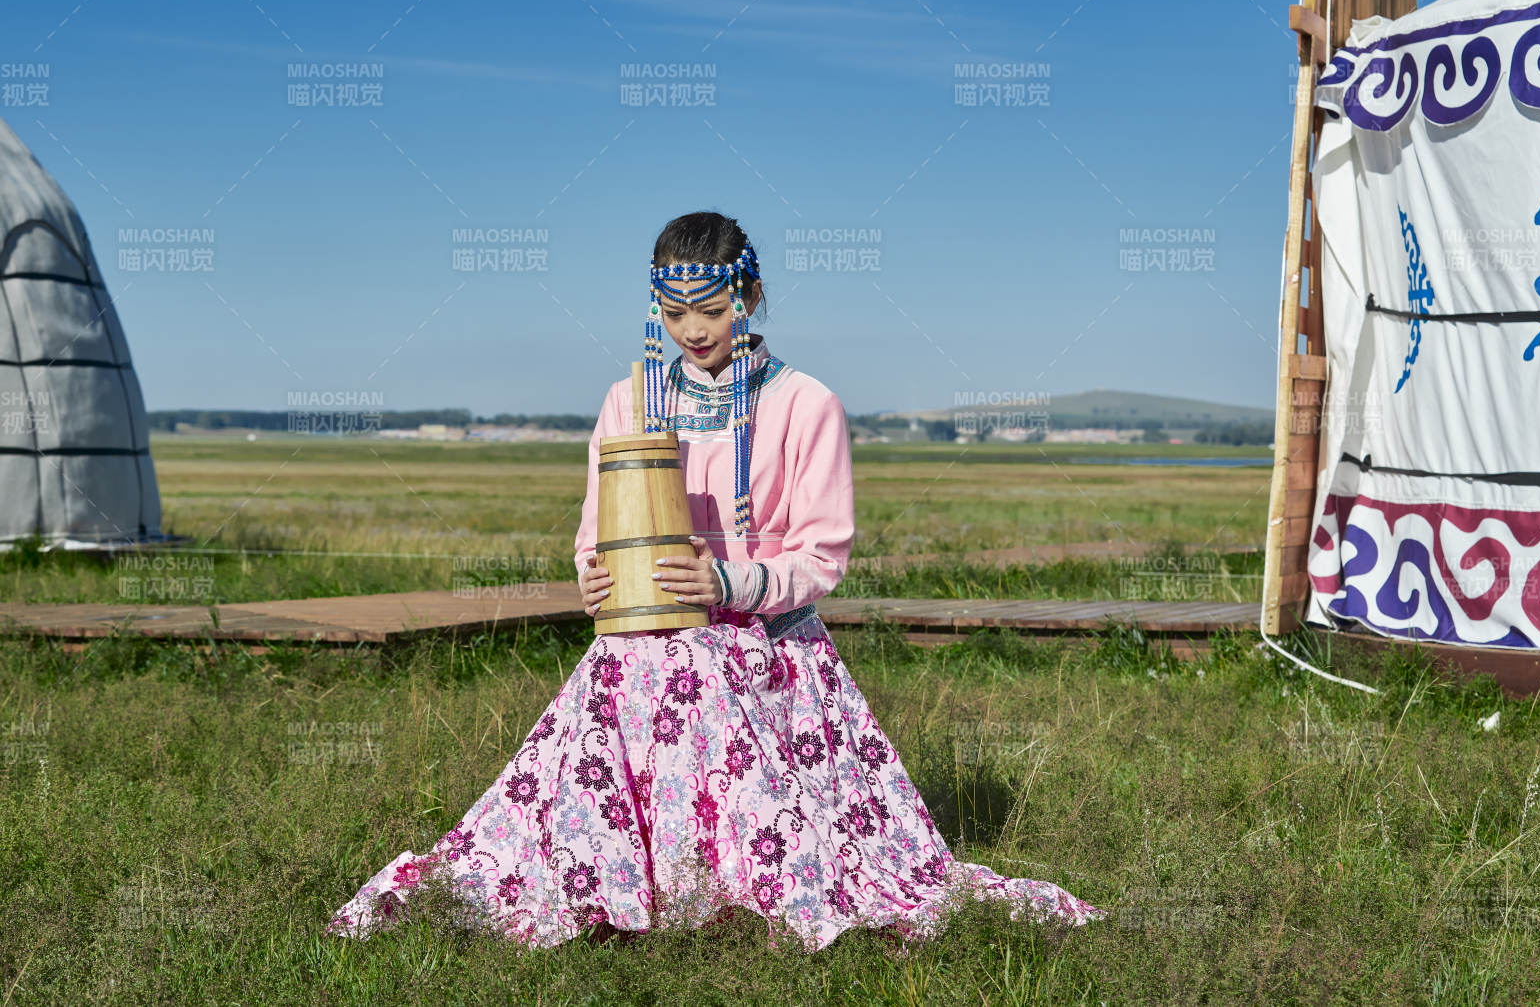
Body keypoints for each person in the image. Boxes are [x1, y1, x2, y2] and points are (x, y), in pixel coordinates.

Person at [324, 211, 1102, 954]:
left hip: (769, 643)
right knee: (631, 671)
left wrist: (724, 580)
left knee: (691, 667)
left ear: (750, 296)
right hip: (644, 635)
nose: (693, 330)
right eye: (672, 312)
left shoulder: (806, 403)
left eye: (712, 308)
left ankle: (736, 885)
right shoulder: (630, 399)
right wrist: (592, 576)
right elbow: (595, 531)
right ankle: (618, 883)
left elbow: (824, 557)